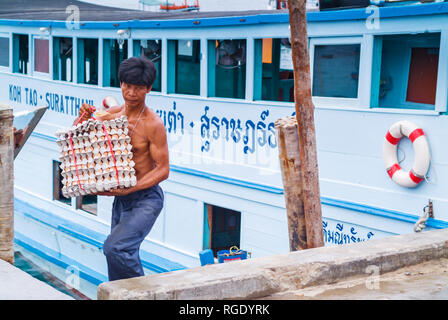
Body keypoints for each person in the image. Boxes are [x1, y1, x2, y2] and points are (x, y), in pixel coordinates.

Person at [74, 56, 169, 281]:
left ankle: (144, 296)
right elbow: (79, 141)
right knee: (120, 254)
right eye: (127, 86)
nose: (131, 93)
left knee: (114, 248)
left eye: (138, 88)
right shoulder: (113, 114)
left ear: (148, 89)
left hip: (146, 198)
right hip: (121, 199)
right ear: (121, 84)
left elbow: (163, 169)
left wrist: (131, 188)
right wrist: (82, 119)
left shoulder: (152, 124)